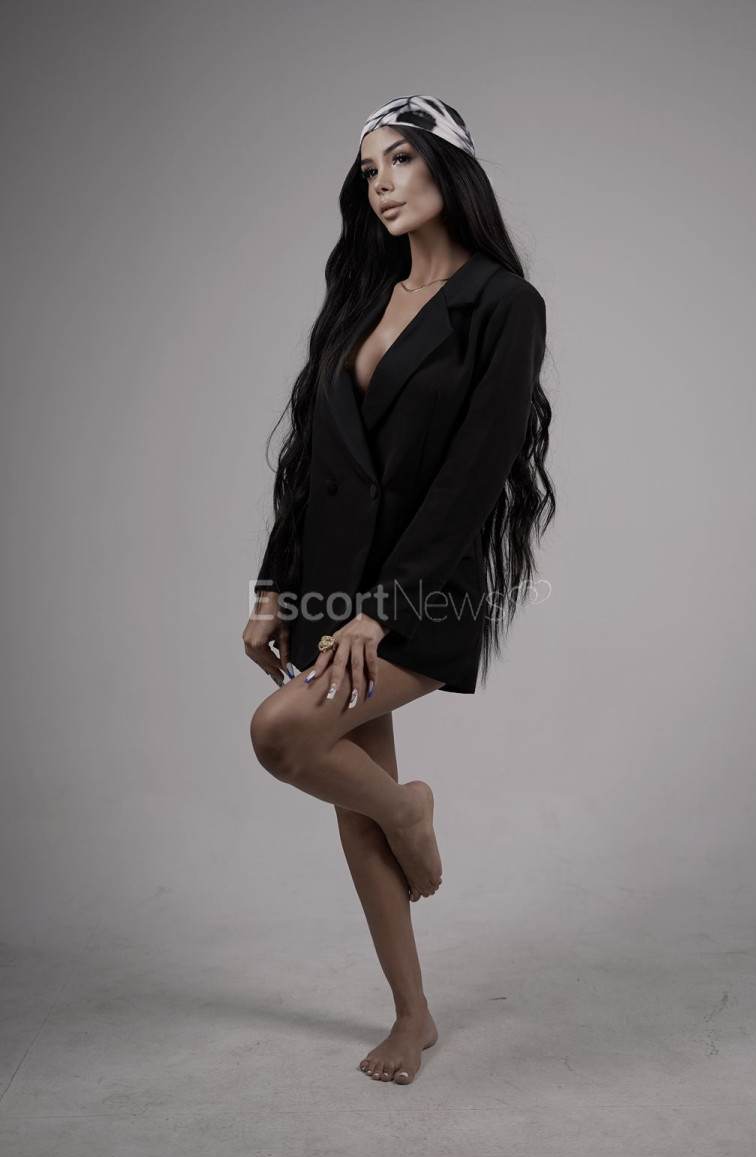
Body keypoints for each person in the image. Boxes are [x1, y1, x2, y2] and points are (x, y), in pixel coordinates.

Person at [243, 95, 554, 1085]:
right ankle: (412, 1016)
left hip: (421, 593)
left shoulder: (503, 304)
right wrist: (273, 586)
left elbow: (477, 471)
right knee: (353, 800)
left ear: (447, 167)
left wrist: (385, 608)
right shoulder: (360, 297)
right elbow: (308, 461)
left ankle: (411, 815)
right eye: (368, 170)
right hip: (327, 587)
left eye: (401, 160)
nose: (382, 184)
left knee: (283, 735)